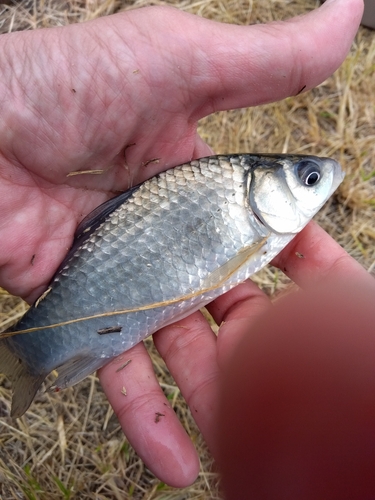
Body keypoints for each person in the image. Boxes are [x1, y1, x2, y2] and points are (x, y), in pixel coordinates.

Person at [0, 0, 368, 489]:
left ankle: (32, 351)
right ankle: (29, 349)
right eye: (310, 178)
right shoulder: (237, 200)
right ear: (262, 188)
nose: (323, 183)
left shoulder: (249, 210)